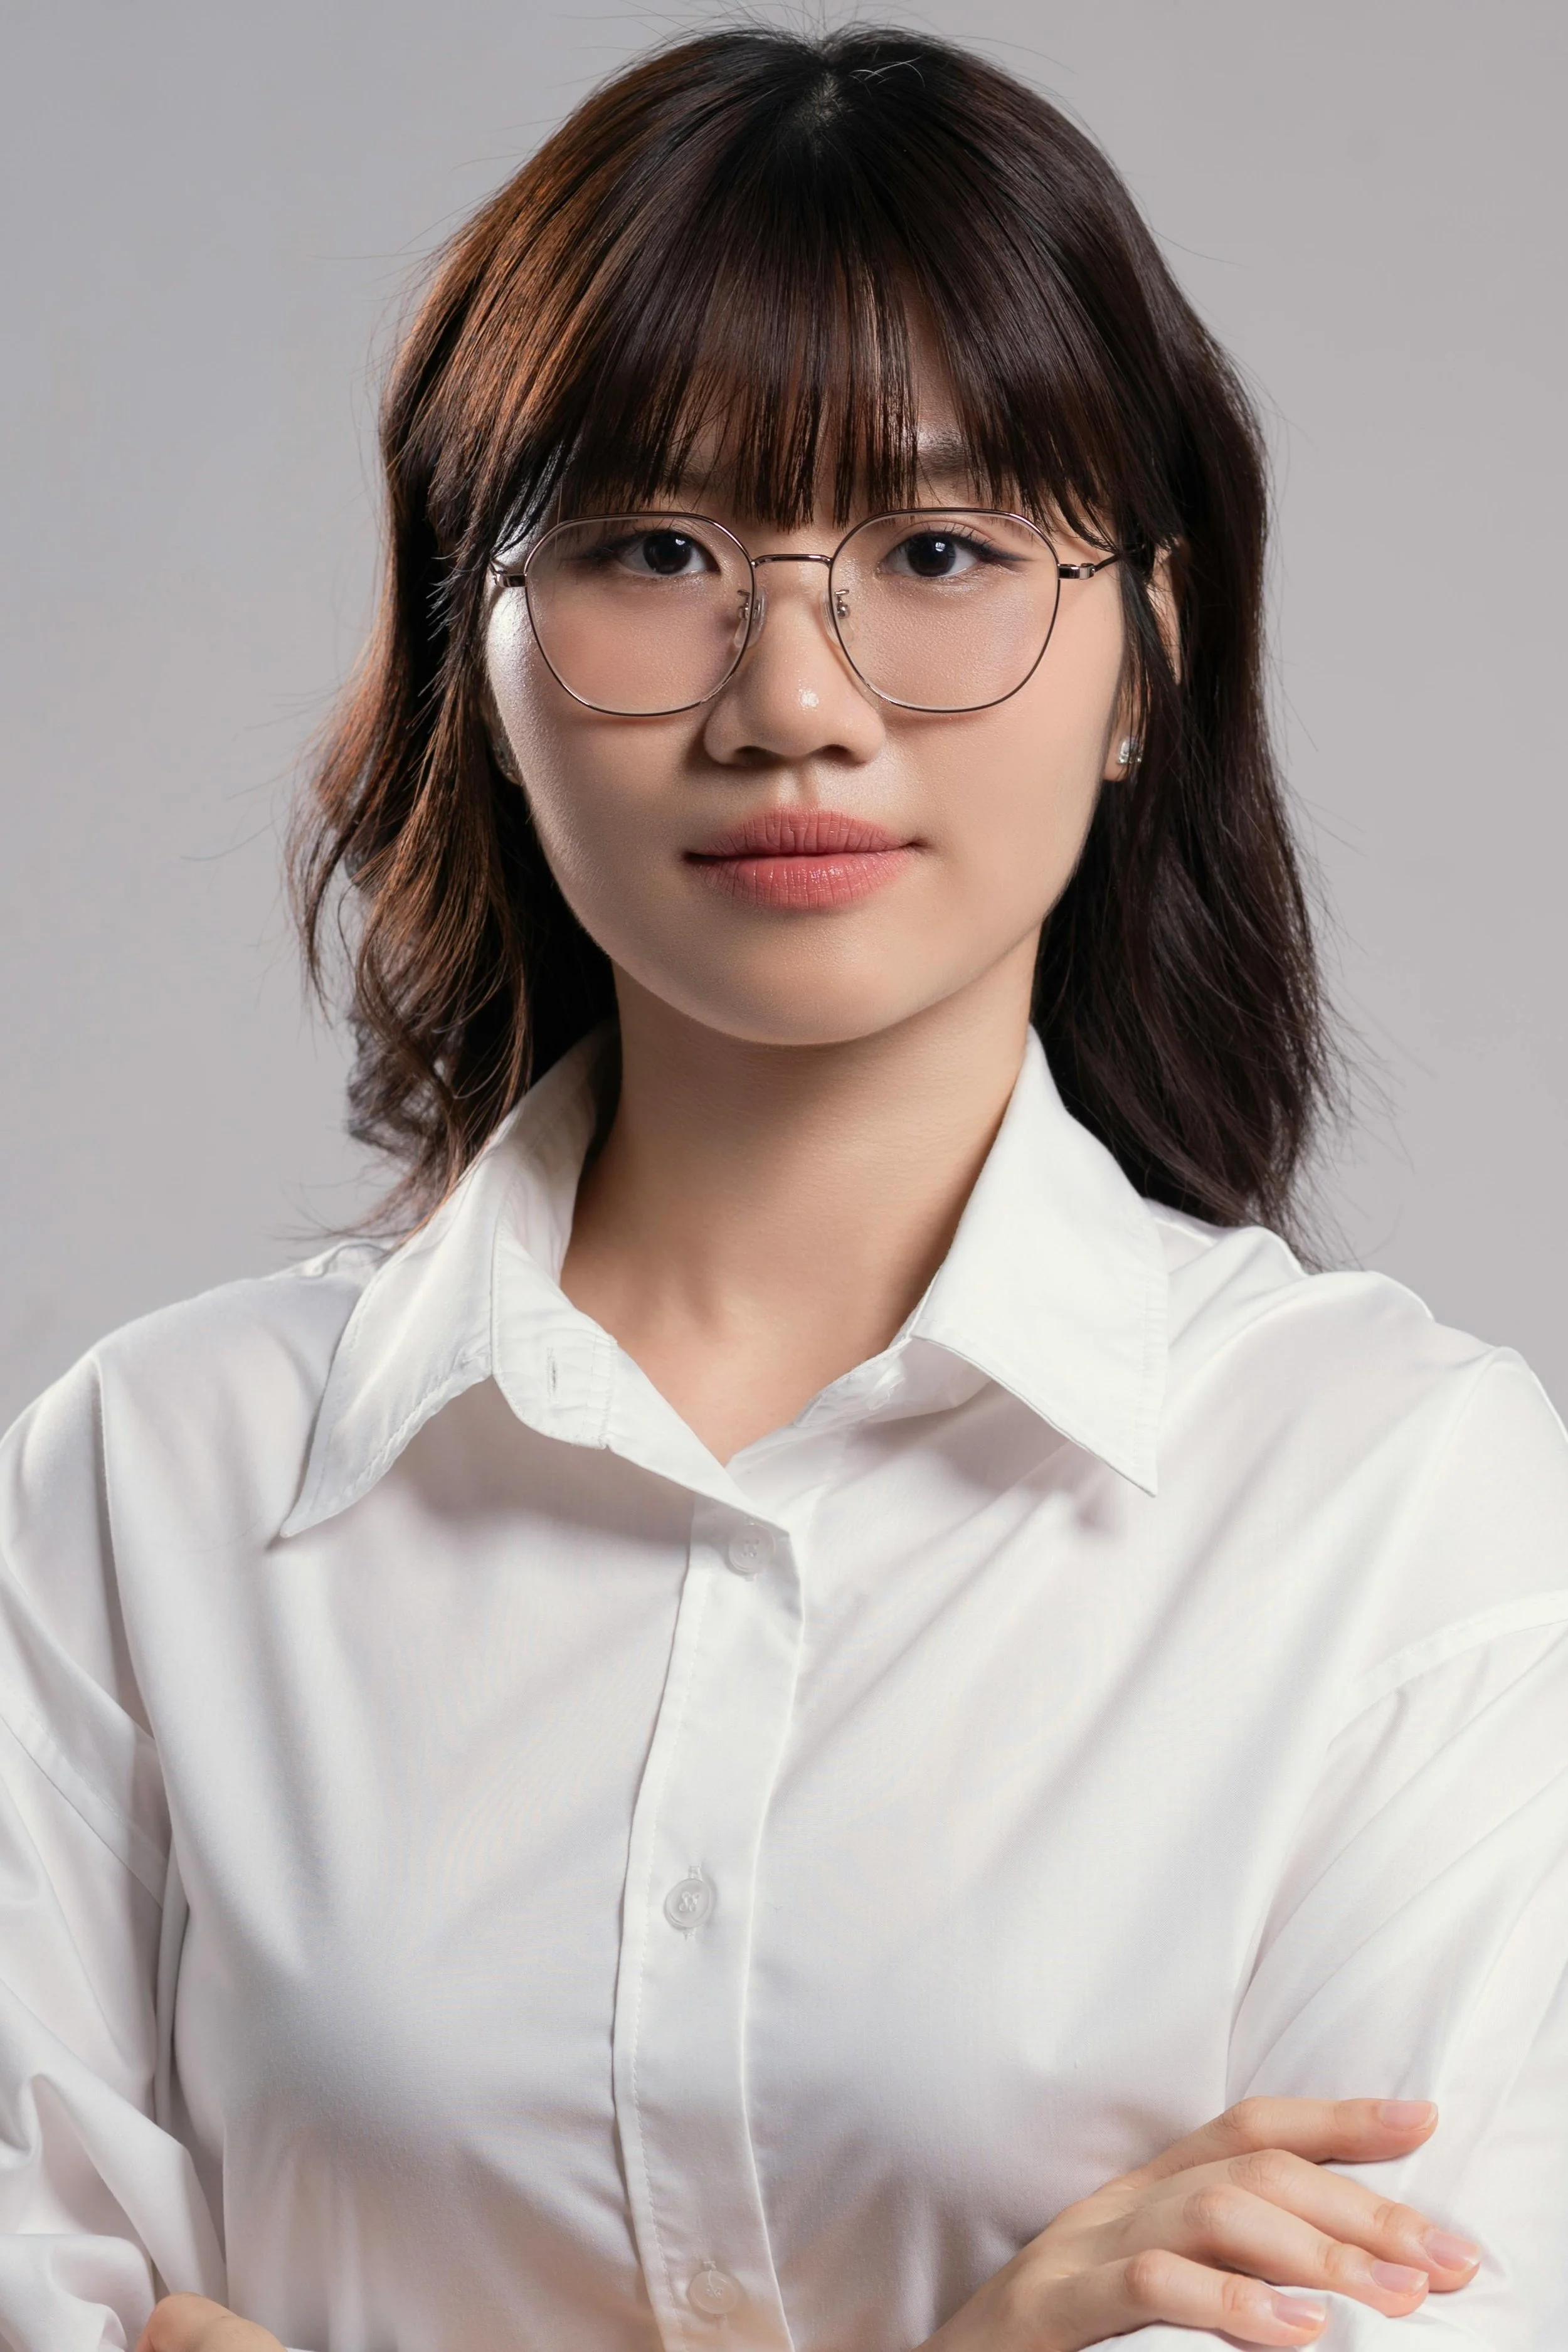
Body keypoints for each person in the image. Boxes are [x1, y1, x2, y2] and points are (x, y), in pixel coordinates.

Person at [1, 24, 1564, 2352]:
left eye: (938, 549)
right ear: (473, 646)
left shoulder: (1388, 1500)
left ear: (1152, 645)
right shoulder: (150, 1486)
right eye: (655, 549)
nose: (792, 696)